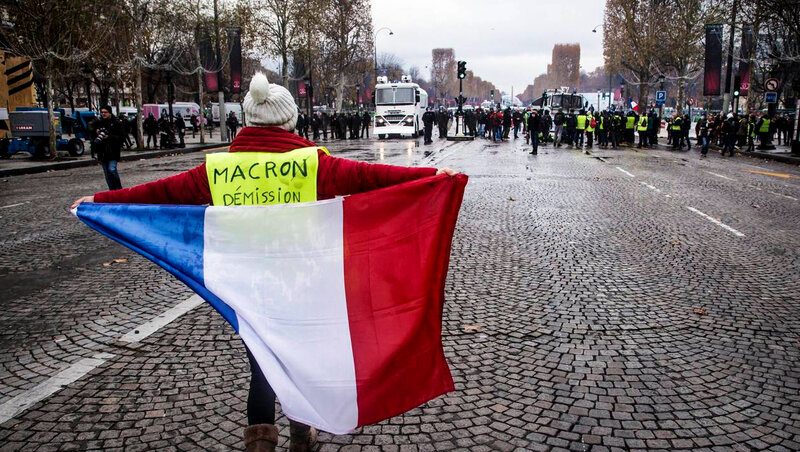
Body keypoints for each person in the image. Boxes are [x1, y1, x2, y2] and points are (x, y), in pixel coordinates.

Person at [71, 73, 458, 452]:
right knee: (299, 354)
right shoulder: (312, 163)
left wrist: (99, 203)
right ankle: (302, 435)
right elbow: (371, 178)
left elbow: (160, 193)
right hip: (303, 280)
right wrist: (431, 176)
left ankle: (260, 442)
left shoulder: (218, 170)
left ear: (249, 119)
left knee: (262, 361)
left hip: (247, 286)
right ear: (289, 120)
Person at [91, 105, 124, 190]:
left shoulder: (116, 123)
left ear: (110, 113)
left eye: (105, 112)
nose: (103, 114)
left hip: (113, 151)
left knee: (112, 170)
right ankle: (112, 191)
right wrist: (96, 132)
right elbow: (92, 137)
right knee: (107, 173)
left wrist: (109, 137)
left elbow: (121, 137)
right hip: (102, 152)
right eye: (102, 112)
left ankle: (119, 189)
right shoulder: (99, 123)